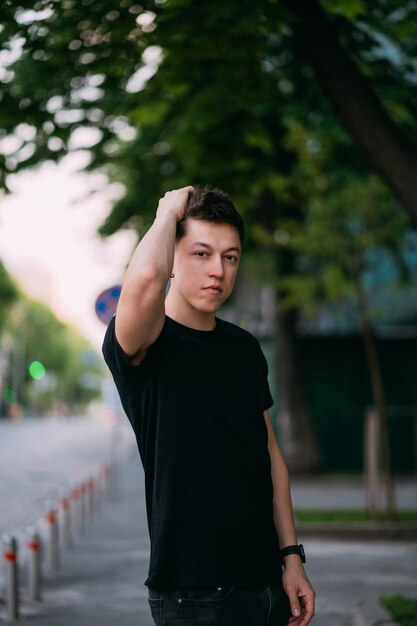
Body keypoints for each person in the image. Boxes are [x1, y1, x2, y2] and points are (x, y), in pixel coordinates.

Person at [102, 185, 315, 626]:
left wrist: (292, 558)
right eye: (201, 253)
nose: (217, 270)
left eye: (230, 256)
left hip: (267, 586)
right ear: (172, 258)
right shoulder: (145, 344)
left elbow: (269, 454)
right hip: (194, 595)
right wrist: (166, 211)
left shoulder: (244, 348)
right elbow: (143, 281)